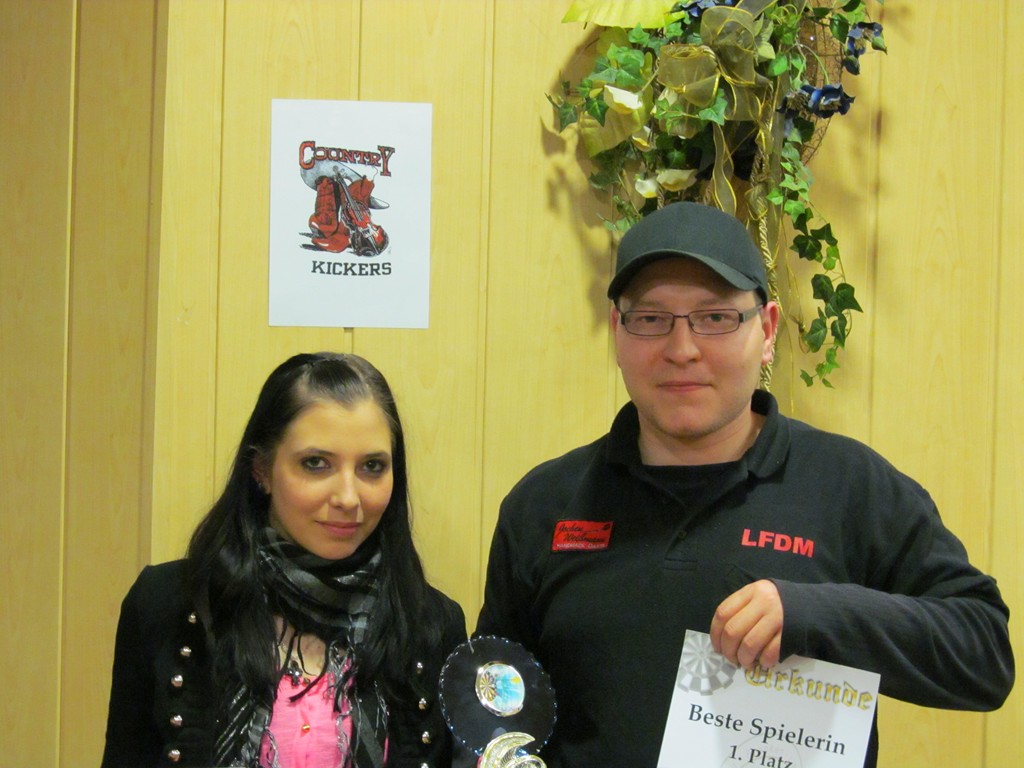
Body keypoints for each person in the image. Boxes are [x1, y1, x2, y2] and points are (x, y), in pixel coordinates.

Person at [474, 202, 1014, 767]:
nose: (681, 350)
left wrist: (817, 616)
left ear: (768, 330)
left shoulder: (849, 486)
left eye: (716, 318)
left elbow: (984, 655)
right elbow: (489, 703)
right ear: (617, 331)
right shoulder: (546, 504)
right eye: (651, 319)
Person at [102, 352, 466, 768]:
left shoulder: (430, 624)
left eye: (372, 466)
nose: (348, 497)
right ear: (261, 469)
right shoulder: (167, 604)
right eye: (316, 464)